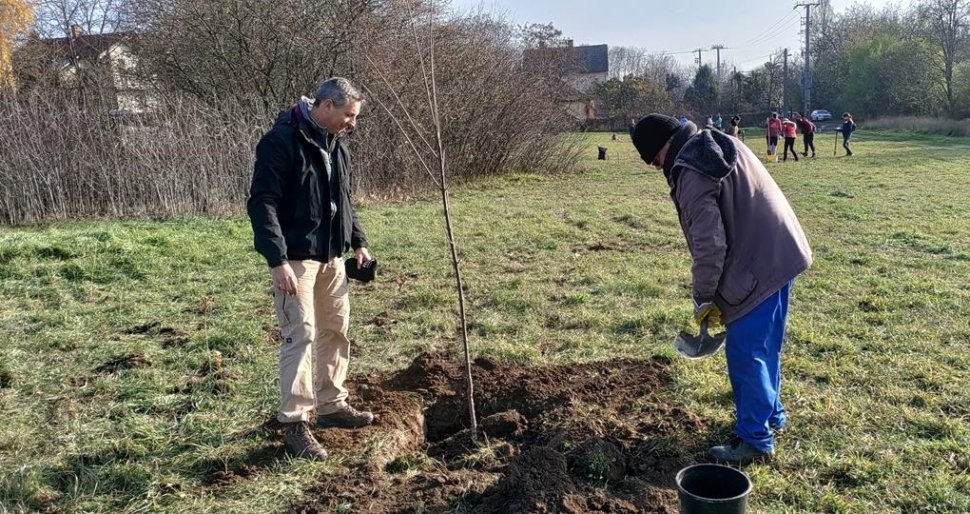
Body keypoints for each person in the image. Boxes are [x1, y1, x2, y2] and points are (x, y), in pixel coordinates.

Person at [630, 114, 812, 464]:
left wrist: (702, 297)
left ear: (663, 147)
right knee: (765, 345)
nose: (657, 168)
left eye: (654, 161)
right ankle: (772, 415)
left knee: (746, 355)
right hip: (781, 250)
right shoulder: (713, 140)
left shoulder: (691, 168)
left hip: (757, 264)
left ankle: (755, 441)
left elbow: (709, 244)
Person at [247, 77, 376, 461]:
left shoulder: (337, 145)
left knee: (336, 330)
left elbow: (344, 201)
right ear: (326, 107)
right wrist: (277, 260)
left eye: (355, 117)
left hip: (333, 256)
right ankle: (296, 422)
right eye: (348, 115)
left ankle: (332, 404)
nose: (352, 123)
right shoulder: (281, 141)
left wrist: (359, 242)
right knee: (300, 336)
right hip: (296, 260)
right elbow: (262, 203)